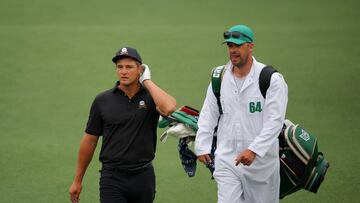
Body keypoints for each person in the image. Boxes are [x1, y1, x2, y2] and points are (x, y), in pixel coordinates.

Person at [69, 46, 176, 203]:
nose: (123, 71)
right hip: (112, 178)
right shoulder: (102, 100)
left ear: (140, 69)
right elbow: (90, 141)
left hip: (143, 177)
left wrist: (146, 81)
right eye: (120, 67)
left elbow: (169, 108)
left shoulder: (151, 97)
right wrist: (77, 180)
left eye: (129, 67)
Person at [195, 25, 288, 203]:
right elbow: (209, 113)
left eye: (238, 45)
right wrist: (202, 145)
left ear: (250, 46)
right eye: (230, 46)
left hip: (261, 165)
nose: (233, 50)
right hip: (227, 159)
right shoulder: (219, 76)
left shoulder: (272, 79)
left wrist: (254, 150)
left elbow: (275, 122)